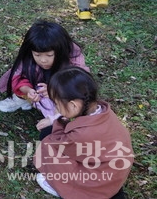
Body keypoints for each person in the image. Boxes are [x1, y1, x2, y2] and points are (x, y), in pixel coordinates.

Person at [34, 67, 134, 198]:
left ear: (73, 105)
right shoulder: (104, 111)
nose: (56, 108)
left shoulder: (82, 135)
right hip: (113, 173)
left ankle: (60, 186)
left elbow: (57, 142)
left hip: (96, 181)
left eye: (57, 104)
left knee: (47, 145)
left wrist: (59, 121)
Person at [0, 21, 89, 136]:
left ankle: (57, 117)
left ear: (60, 51)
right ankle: (23, 99)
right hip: (37, 87)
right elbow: (18, 77)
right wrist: (28, 90)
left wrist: (55, 90)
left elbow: (80, 82)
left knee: (73, 104)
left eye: (49, 55)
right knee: (20, 84)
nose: (43, 60)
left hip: (62, 92)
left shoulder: (73, 58)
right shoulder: (27, 57)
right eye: (37, 55)